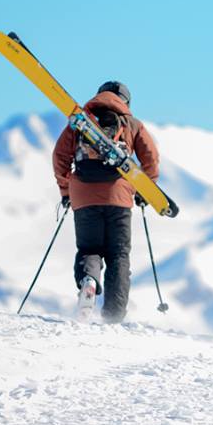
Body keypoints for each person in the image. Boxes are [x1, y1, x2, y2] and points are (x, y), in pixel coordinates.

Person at [52, 81, 160, 322]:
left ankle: (89, 281)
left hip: (83, 197)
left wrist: (66, 190)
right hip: (119, 199)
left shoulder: (80, 122)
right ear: (126, 102)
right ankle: (113, 315)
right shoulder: (132, 124)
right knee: (118, 255)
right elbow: (150, 158)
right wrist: (146, 189)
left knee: (89, 250)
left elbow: (60, 156)